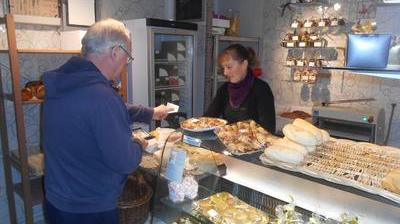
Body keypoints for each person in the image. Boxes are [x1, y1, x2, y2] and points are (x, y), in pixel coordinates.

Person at [43, 18, 171, 224]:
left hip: (57, 200)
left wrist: (149, 112)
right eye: (127, 57)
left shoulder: (66, 81)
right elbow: (125, 161)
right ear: (115, 52)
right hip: (89, 209)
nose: (124, 65)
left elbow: (96, 111)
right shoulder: (101, 96)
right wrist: (139, 143)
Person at [205, 44, 276, 133]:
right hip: (228, 142)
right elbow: (208, 118)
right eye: (223, 68)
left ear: (244, 64)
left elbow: (268, 130)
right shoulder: (224, 90)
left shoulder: (261, 89)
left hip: (253, 144)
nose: (225, 72)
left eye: (229, 67)